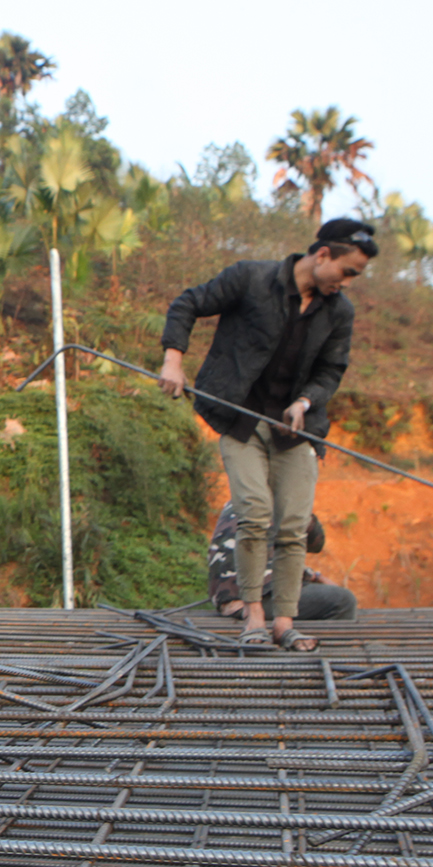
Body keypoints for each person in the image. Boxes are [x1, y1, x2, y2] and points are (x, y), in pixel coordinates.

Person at [158, 218, 376, 652]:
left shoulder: (339, 311)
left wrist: (306, 402)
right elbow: (188, 303)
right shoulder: (251, 278)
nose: (348, 283)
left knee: (293, 525)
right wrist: (173, 361)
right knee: (255, 514)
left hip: (295, 430)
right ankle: (254, 616)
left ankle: (284, 624)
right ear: (323, 255)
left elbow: (331, 369)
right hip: (240, 419)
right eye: (347, 271)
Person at [206, 504, 357, 622]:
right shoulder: (285, 502)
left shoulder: (239, 499)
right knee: (343, 600)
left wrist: (315, 576)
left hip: (226, 599)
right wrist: (306, 515)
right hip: (252, 602)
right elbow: (316, 543)